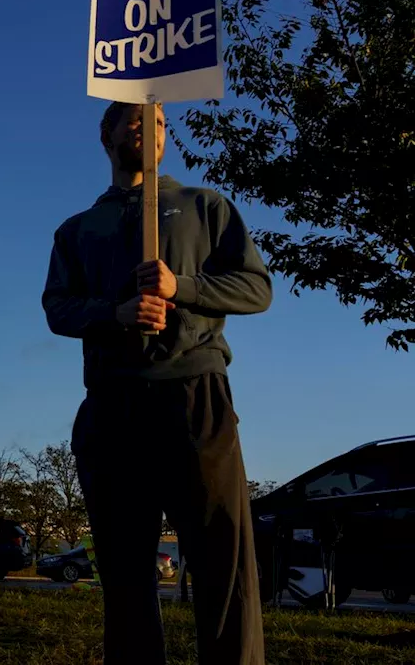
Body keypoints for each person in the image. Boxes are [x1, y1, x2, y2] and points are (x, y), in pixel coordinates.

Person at [41, 101, 272, 665]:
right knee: (123, 570)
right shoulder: (77, 229)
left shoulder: (205, 206)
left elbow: (255, 289)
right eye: (137, 120)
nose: (151, 129)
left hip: (195, 396)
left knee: (223, 561)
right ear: (108, 134)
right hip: (112, 403)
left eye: (162, 123)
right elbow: (58, 308)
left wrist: (182, 286)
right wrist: (113, 314)